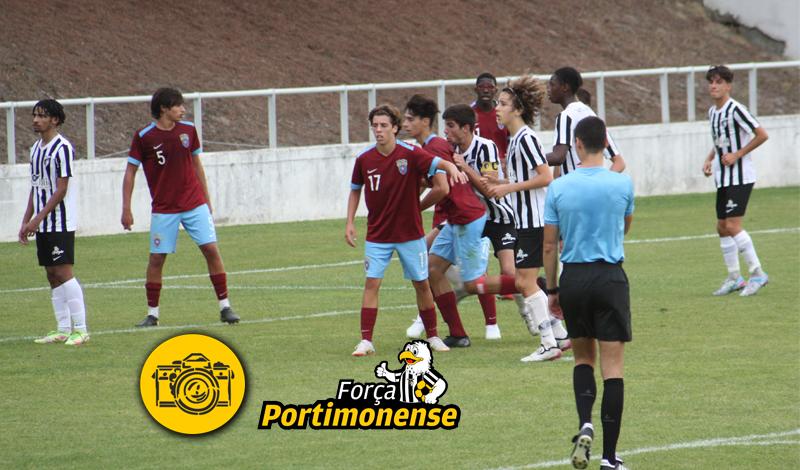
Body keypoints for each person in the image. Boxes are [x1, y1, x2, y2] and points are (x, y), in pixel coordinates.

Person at [543, 116, 634, 470]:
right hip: (609, 278)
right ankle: (609, 458)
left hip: (574, 279)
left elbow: (549, 246)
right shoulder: (622, 183)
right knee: (613, 369)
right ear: (605, 143)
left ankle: (585, 422)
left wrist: (553, 290)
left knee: (583, 359)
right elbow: (624, 227)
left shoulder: (559, 187)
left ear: (577, 144)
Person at [345, 104, 468, 356]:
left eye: (383, 125)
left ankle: (432, 336)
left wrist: (453, 168)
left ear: (395, 128)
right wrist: (349, 222)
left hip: (410, 234)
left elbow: (439, 163)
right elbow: (355, 189)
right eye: (375, 126)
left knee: (421, 284)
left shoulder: (410, 153)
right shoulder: (364, 159)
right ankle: (366, 341)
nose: (378, 130)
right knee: (372, 283)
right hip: (378, 235)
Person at [121, 87, 240, 327]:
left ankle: (225, 307)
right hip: (164, 209)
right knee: (157, 259)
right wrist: (126, 208)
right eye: (178, 105)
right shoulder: (144, 137)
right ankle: (152, 314)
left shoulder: (188, 130)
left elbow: (197, 165)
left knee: (211, 250)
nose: (183, 109)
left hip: (194, 204)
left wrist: (206, 199)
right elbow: (130, 172)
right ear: (164, 108)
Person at [484, 76, 570, 362]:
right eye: (497, 103)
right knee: (524, 281)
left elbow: (545, 177)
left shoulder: (526, 138)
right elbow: (527, 179)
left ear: (518, 109)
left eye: (503, 103)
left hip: (535, 221)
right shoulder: (515, 140)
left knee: (525, 282)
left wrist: (507, 188)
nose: (497, 108)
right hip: (526, 221)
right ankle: (559, 336)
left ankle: (548, 343)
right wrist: (502, 182)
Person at [401, 95, 501, 343]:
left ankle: (529, 286)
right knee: (433, 270)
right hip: (455, 218)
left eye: (410, 119)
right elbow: (431, 181)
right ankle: (457, 334)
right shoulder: (429, 147)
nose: (405, 124)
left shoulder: (433, 147)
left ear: (425, 122)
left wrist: (413, 208)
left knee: (473, 283)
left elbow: (442, 188)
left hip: (467, 216)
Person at [442, 103, 521, 341]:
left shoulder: (486, 147)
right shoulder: (448, 151)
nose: (446, 131)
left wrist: (465, 168)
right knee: (431, 256)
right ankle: (485, 319)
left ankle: (533, 303)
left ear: (466, 128)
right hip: (469, 219)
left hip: (499, 217)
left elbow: (490, 188)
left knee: (510, 272)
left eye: (451, 126)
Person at [19, 99, 89, 346]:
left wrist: (37, 218)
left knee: (63, 272)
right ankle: (62, 328)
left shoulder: (62, 148)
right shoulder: (36, 149)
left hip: (59, 222)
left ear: (55, 120)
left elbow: (61, 189)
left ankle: (81, 329)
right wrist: (26, 220)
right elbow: (36, 187)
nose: (36, 120)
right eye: (35, 115)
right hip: (42, 223)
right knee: (51, 274)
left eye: (42, 116)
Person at [702, 65, 769, 296]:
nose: (713, 86)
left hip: (740, 176)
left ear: (728, 86)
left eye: (719, 82)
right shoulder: (713, 112)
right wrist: (710, 158)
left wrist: (738, 155)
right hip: (723, 177)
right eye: (711, 81)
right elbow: (720, 140)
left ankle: (758, 273)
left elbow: (762, 134)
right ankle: (734, 278)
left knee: (732, 225)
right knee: (722, 227)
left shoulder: (736, 109)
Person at [545, 67, 625, 175]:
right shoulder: (591, 114)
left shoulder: (565, 116)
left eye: (552, 85)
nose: (548, 89)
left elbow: (558, 157)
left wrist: (530, 159)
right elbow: (619, 163)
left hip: (573, 184)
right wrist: (600, 182)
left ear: (565, 87)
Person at [472, 72, 510, 167]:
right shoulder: (469, 114)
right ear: (475, 89)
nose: (486, 90)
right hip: (477, 167)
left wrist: (508, 159)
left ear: (496, 90)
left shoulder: (505, 112)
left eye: (490, 87)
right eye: (481, 87)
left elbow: (512, 139)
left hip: (502, 167)